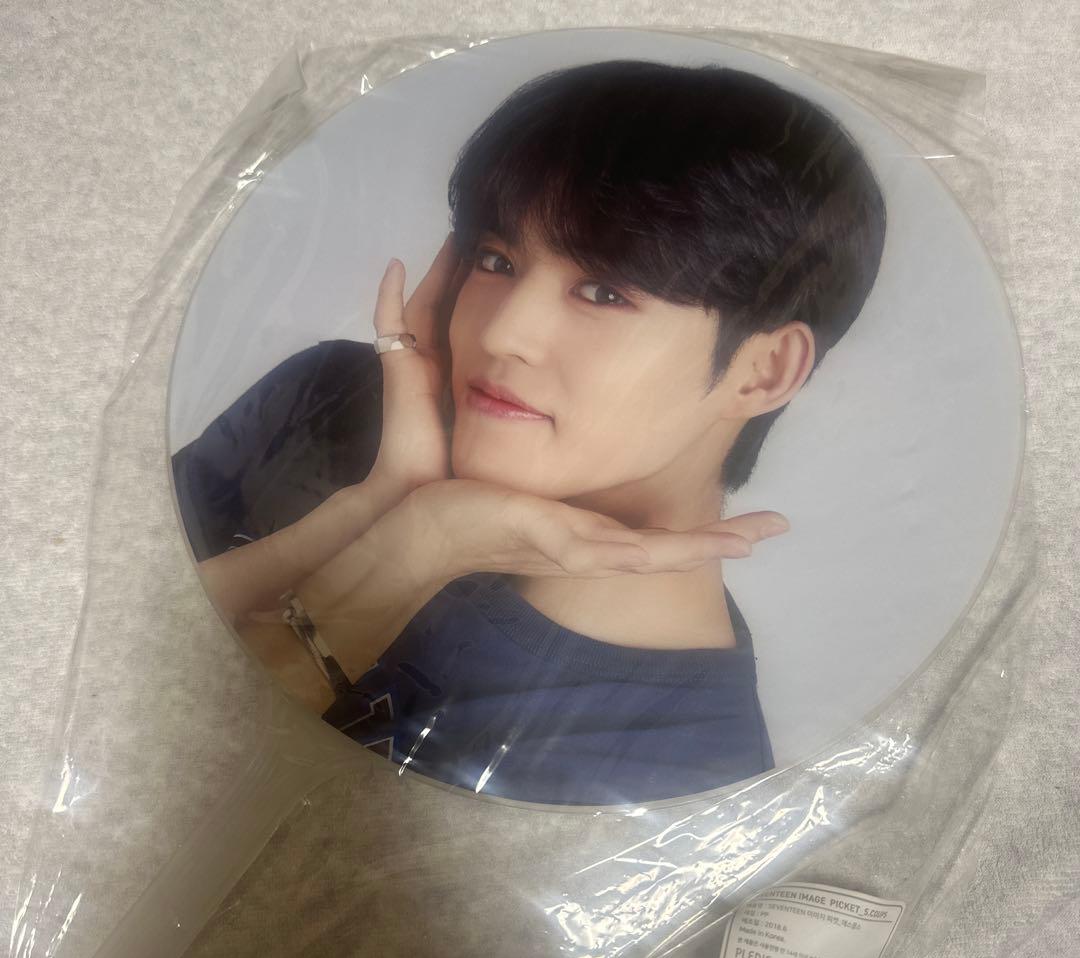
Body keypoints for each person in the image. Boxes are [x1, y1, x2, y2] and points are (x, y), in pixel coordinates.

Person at [171, 60, 887, 806]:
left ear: (764, 371)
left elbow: (159, 816)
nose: (502, 333)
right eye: (496, 260)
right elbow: (96, 656)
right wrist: (386, 507)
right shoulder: (330, 401)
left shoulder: (679, 774)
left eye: (603, 292)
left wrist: (420, 547)